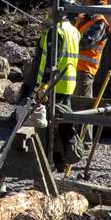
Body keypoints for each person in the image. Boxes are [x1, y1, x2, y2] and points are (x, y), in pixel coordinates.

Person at [17, 13, 82, 167]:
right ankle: (64, 159)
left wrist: (44, 84)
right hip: (67, 83)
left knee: (49, 126)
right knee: (62, 123)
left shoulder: (56, 31)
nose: (46, 13)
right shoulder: (74, 30)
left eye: (49, 9)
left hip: (54, 84)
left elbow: (53, 61)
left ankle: (50, 161)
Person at [74, 0, 111, 105]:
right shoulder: (84, 19)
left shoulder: (100, 23)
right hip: (74, 67)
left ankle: (83, 125)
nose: (85, 3)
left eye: (88, 1)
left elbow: (86, 43)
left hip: (85, 70)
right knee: (73, 104)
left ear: (97, 4)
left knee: (82, 106)